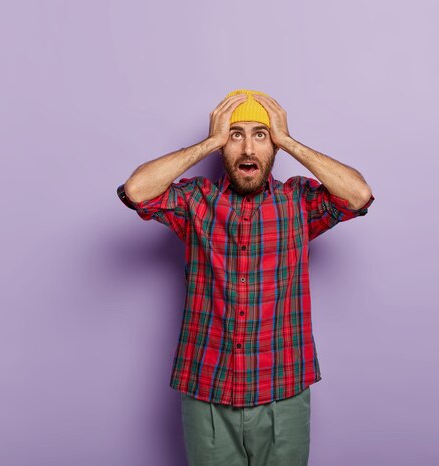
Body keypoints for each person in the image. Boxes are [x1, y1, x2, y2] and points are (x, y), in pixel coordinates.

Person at [116, 89, 375, 466]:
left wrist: (289, 141)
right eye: (236, 135)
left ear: (274, 146)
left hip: (282, 391)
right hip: (207, 391)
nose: (249, 149)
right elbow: (137, 191)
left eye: (261, 135)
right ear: (224, 144)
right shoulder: (195, 201)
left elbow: (358, 196)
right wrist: (209, 142)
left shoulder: (298, 202)